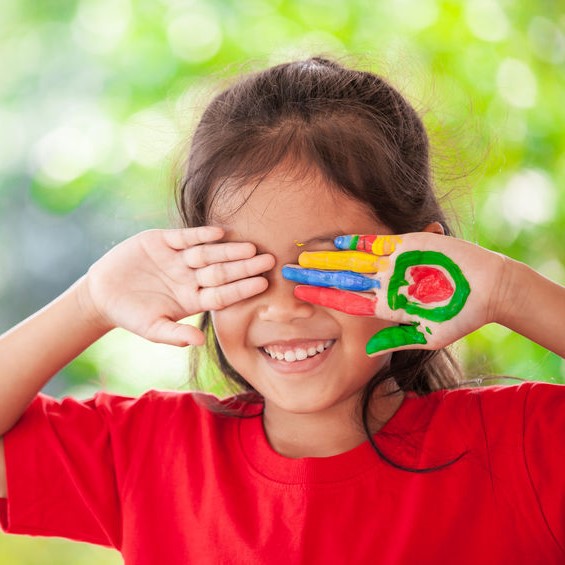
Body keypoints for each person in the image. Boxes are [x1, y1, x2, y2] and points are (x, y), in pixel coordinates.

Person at [0, 57, 564, 564]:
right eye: (245, 271)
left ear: (422, 260)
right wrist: (89, 303)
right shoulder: (149, 456)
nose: (283, 307)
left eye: (324, 266)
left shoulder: (519, 450)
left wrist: (510, 291)